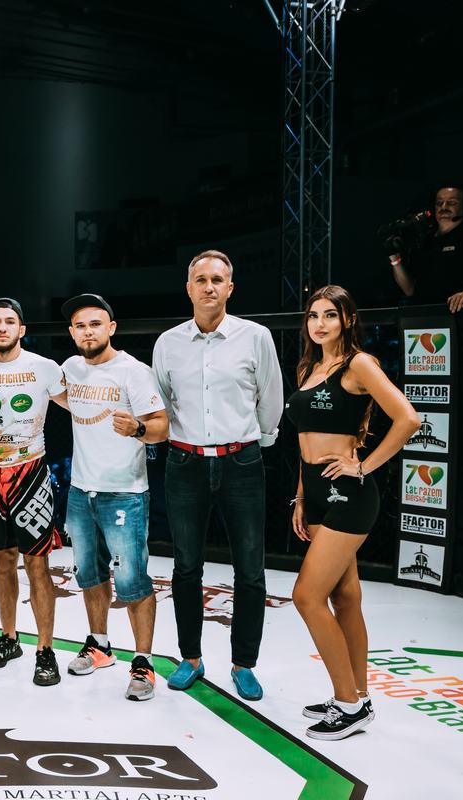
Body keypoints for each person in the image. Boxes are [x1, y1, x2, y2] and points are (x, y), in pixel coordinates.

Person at [287, 285, 419, 740]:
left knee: (307, 596)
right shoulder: (308, 367)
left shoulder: (358, 364)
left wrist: (362, 466)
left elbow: (409, 419)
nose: (320, 323)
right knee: (344, 597)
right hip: (317, 493)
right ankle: (357, 694)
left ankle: (349, 704)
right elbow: (305, 440)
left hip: (349, 493)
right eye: (313, 315)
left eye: (330, 315)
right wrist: (301, 496)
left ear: (348, 319)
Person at [152, 250, 284, 701]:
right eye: (201, 279)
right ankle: (190, 658)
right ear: (189, 288)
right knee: (186, 567)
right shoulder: (168, 342)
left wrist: (256, 442)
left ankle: (244, 663)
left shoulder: (255, 336)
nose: (209, 286)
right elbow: (162, 401)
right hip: (184, 462)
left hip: (241, 461)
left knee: (250, 569)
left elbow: (270, 396)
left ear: (230, 287)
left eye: (217, 279)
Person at [59, 294, 168, 701]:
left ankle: (143, 662)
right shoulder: (70, 368)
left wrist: (138, 429)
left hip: (125, 493)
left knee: (132, 581)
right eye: (80, 326)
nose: (88, 332)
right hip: (80, 490)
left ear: (111, 328)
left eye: (95, 324)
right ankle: (100, 645)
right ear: (72, 332)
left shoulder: (133, 372)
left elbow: (162, 427)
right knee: (89, 574)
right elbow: (60, 396)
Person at [0, 297, 67, 687]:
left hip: (31, 471)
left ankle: (45, 649)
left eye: (9, 321)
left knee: (37, 565)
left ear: (21, 329)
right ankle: (9, 637)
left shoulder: (45, 367)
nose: (2, 327)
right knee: (1, 562)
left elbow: (78, 407)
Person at [388, 184, 463, 473]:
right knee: (424, 391)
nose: (444, 207)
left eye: (452, 202)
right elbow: (410, 289)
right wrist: (395, 260)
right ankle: (428, 448)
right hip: (424, 332)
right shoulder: (425, 240)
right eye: (440, 202)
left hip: (462, 328)